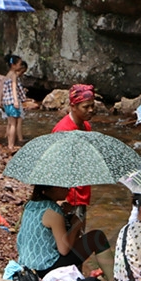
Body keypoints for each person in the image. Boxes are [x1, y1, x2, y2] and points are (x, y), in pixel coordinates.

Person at [16, 185, 113, 280]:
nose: (69, 189)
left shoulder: (30, 204)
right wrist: (76, 226)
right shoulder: (53, 211)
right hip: (45, 269)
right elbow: (64, 250)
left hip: (26, 267)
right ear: (55, 188)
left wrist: (64, 216)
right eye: (65, 187)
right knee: (97, 237)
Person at [51, 84, 97, 225]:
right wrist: (61, 199)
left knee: (78, 235)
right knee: (69, 238)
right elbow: (55, 167)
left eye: (92, 106)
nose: (90, 110)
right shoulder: (63, 131)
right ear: (73, 106)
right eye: (85, 107)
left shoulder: (86, 126)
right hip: (68, 196)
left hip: (82, 192)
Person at [0, 55, 27, 150]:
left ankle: (8, 142)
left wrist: (0, 100)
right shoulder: (14, 75)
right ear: (13, 65)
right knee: (13, 124)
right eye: (19, 64)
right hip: (12, 101)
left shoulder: (7, 75)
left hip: (6, 102)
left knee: (10, 123)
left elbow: (2, 89)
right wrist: (16, 100)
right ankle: (11, 145)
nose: (20, 66)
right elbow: (14, 87)